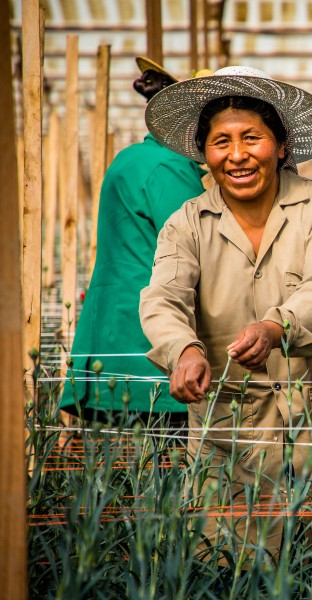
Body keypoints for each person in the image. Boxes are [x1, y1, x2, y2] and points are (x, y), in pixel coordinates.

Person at [140, 66, 312, 560]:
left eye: (251, 138)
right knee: (227, 562)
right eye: (221, 142)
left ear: (281, 146)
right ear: (205, 154)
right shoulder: (187, 223)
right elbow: (163, 296)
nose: (236, 155)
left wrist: (275, 326)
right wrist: (184, 349)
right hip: (228, 426)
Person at [60, 57, 206, 428]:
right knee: (168, 456)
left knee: (129, 466)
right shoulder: (168, 166)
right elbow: (200, 245)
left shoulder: (133, 158)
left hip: (113, 323)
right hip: (144, 332)